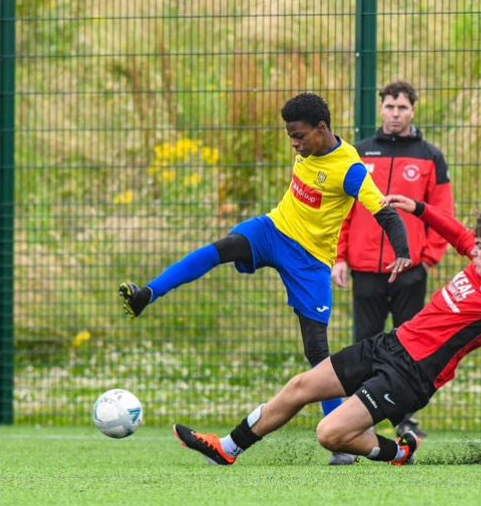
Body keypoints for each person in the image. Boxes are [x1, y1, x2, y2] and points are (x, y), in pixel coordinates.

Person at [174, 195, 481, 467]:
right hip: (390, 344)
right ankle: (226, 449)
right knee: (300, 386)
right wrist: (417, 207)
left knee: (329, 434)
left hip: (411, 375)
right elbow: (456, 233)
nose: (473, 249)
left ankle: (399, 452)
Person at [119, 92, 412, 465]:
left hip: (311, 263)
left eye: (299, 136)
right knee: (220, 249)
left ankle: (343, 444)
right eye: (290, 136)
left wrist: (401, 251)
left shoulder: (350, 170)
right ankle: (148, 293)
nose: (294, 143)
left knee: (317, 351)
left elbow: (385, 214)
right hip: (273, 231)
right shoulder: (307, 149)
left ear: (322, 129)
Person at [332, 80, 454, 438]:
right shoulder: (360, 153)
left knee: (410, 345)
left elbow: (441, 210)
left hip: (410, 270)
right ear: (381, 108)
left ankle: (405, 419)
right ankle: (359, 419)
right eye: (389, 107)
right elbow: (345, 210)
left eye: (402, 108)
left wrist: (428, 257)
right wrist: (340, 257)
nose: (395, 114)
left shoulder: (430, 156)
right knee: (365, 343)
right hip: (365, 268)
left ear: (413, 110)